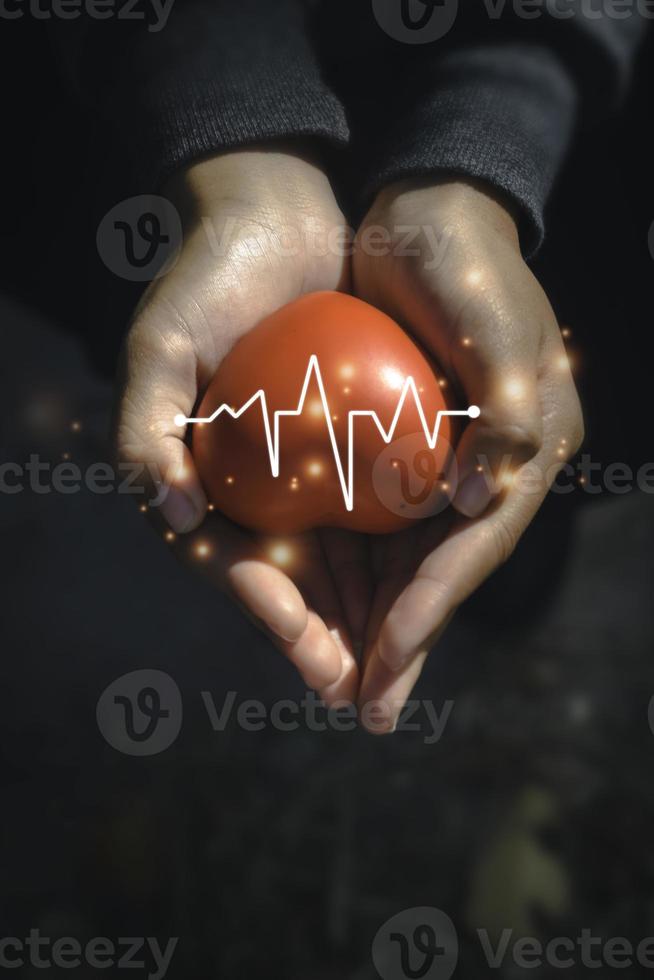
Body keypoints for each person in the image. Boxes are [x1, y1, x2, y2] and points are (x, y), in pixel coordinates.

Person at [53, 0, 645, 732]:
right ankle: (496, 545)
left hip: (558, 158)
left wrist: (492, 130)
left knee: (519, 405)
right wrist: (232, 140)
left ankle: (515, 536)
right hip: (175, 97)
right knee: (492, 429)